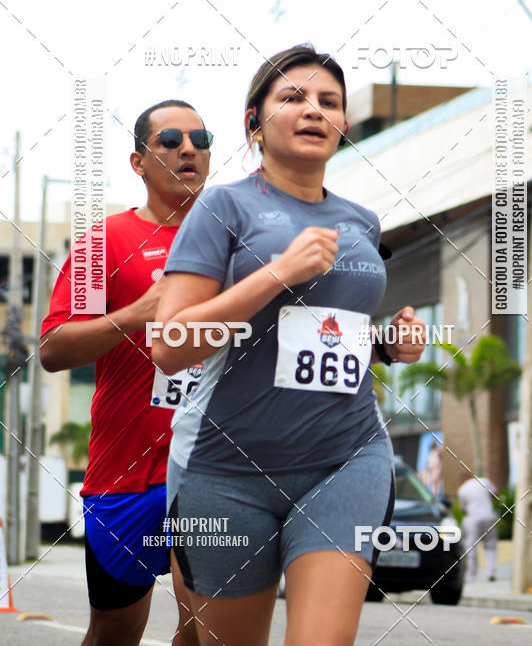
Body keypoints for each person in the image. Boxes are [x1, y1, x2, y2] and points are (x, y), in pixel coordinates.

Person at [152, 44, 426, 646]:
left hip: (346, 458)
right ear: (255, 120)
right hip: (226, 472)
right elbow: (171, 345)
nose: (313, 110)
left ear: (344, 126)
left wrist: (387, 345)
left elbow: (319, 336)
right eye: (293, 98)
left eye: (329, 102)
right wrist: (276, 273)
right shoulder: (222, 207)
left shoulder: (361, 221)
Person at [40, 99, 212, 646]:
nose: (188, 148)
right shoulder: (103, 243)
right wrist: (138, 313)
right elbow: (53, 348)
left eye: (200, 138)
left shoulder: (240, 242)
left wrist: (378, 348)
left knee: (209, 628)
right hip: (127, 477)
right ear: (139, 162)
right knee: (114, 632)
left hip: (214, 468)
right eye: (170, 140)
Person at [457, 470, 498, 582]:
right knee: (490, 545)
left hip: (473, 519)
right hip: (488, 515)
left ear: (462, 480)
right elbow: (495, 494)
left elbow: (463, 509)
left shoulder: (462, 490)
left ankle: (471, 575)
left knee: (471, 546)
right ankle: (491, 572)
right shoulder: (484, 481)